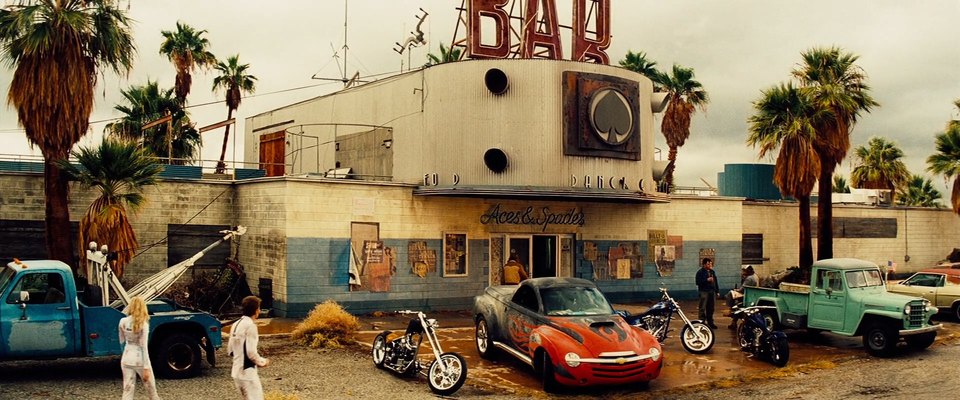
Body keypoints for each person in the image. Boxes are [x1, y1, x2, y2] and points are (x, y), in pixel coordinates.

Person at [119, 296, 160, 400]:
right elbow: (144, 347)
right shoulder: (143, 324)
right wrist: (146, 367)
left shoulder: (122, 321)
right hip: (140, 360)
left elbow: (122, 341)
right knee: (151, 390)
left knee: (127, 389)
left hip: (126, 358)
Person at [230, 296, 270, 400]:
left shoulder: (235, 324)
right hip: (247, 373)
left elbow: (230, 350)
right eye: (259, 308)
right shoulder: (251, 326)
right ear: (256, 310)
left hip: (236, 372)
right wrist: (262, 362)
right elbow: (251, 353)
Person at [695, 258, 720, 329]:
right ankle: (701, 322)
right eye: (708, 264)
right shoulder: (700, 272)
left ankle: (710, 322)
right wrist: (706, 280)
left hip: (712, 292)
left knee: (711, 308)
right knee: (702, 307)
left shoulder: (712, 272)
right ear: (704, 264)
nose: (710, 265)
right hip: (704, 291)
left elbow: (715, 282)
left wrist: (717, 291)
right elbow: (698, 282)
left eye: (711, 264)